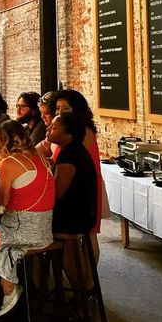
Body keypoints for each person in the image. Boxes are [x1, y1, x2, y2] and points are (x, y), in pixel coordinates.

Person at [0, 120, 55, 317]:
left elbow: (4, 203)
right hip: (44, 231)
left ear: (2, 140)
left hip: (22, 230)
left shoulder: (9, 163)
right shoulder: (40, 156)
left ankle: (8, 288)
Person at [55, 89, 105, 235]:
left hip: (81, 190)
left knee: (89, 235)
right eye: (58, 108)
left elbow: (72, 160)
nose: (60, 113)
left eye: (65, 109)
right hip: (71, 187)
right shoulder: (63, 131)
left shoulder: (82, 133)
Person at [48, 112, 98, 237]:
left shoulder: (70, 155)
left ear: (69, 135)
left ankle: (34, 255)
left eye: (54, 128)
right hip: (80, 215)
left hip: (73, 220)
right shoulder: (74, 149)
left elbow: (56, 194)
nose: (48, 129)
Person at [35, 91, 59, 159]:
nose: (42, 117)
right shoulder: (50, 128)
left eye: (46, 113)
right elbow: (43, 146)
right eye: (41, 113)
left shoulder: (60, 132)